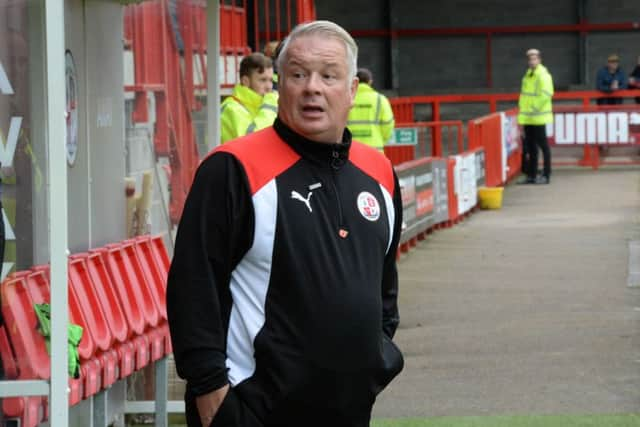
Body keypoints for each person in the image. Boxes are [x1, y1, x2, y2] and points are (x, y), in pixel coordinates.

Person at [167, 20, 404, 427]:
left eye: (329, 75)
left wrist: (375, 359)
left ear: (352, 91)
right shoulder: (232, 170)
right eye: (297, 74)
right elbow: (193, 287)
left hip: (348, 410)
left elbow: (383, 285)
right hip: (251, 411)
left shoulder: (379, 172)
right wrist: (211, 395)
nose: (312, 87)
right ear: (280, 86)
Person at [220, 52, 278, 144]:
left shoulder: (264, 106)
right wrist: (270, 107)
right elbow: (252, 142)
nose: (269, 86)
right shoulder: (231, 108)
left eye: (271, 80)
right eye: (263, 80)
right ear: (246, 81)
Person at [517, 48, 554, 185]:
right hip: (529, 117)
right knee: (531, 146)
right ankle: (531, 175)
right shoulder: (527, 76)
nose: (532, 61)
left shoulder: (543, 75)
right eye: (530, 59)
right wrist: (523, 111)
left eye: (534, 58)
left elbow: (546, 94)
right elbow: (524, 96)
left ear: (539, 60)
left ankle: (546, 174)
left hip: (538, 117)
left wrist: (533, 108)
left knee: (543, 145)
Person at [347, 68, 395, 151]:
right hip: (375, 149)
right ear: (370, 82)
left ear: (354, 81)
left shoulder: (347, 99)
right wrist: (381, 139)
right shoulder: (380, 99)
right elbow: (388, 124)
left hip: (350, 149)